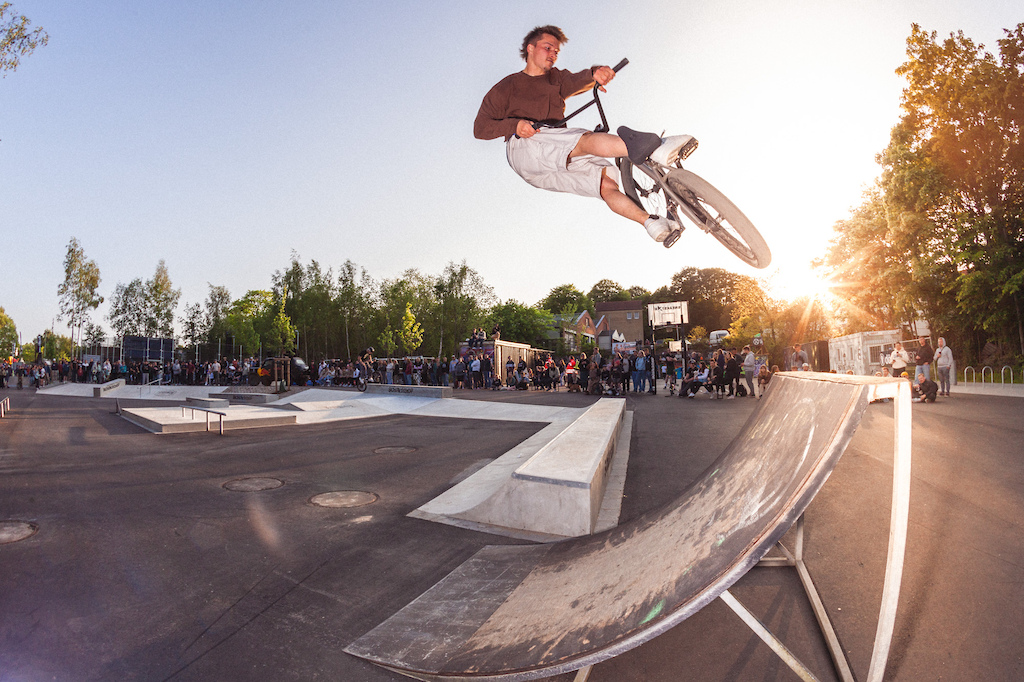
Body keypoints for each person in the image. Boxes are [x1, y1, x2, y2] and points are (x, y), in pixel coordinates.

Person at [474, 25, 688, 245]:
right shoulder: (507, 86)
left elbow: (579, 80)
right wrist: (514, 125)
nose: (553, 55)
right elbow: (479, 128)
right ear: (530, 48)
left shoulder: (555, 79)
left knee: (606, 184)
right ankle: (657, 148)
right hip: (525, 150)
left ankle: (652, 224)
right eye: (548, 48)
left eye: (556, 52)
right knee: (583, 141)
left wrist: (596, 73)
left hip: (551, 163)